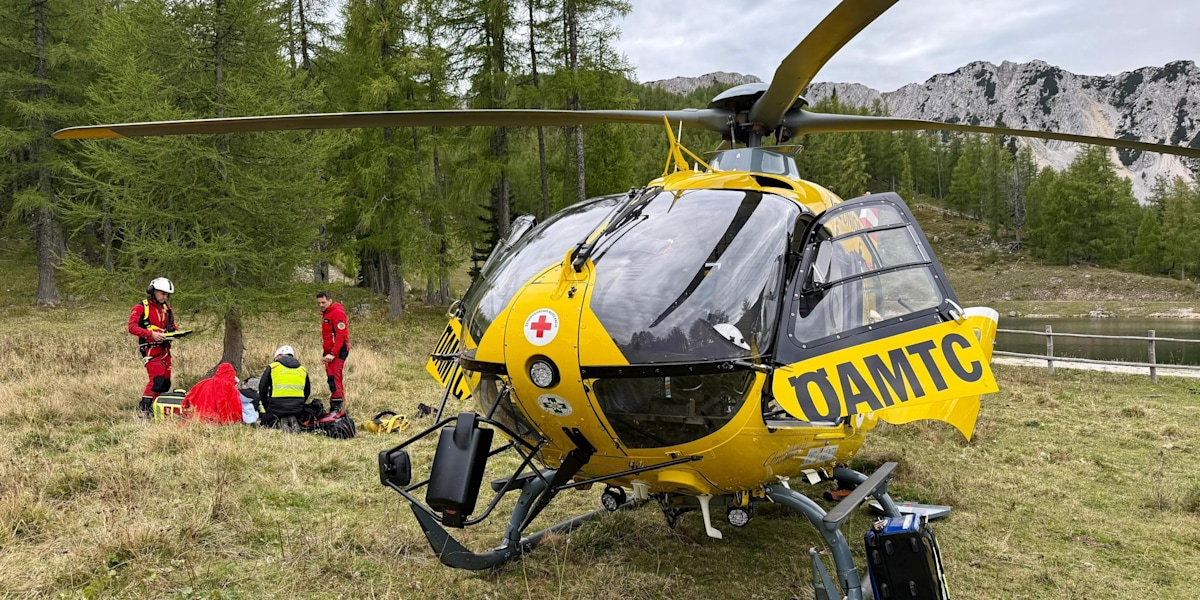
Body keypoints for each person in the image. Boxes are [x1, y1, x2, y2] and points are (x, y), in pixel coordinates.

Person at [128, 277, 179, 418]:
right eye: (162, 293)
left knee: (165, 382)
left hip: (165, 349)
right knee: (156, 379)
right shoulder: (140, 307)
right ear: (153, 291)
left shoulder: (167, 309)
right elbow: (132, 327)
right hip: (150, 349)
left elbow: (172, 326)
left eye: (167, 294)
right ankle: (144, 411)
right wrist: (150, 334)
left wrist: (177, 333)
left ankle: (156, 408)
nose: (165, 297)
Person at [256, 345, 312, 428]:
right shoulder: (302, 369)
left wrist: (266, 406)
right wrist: (300, 404)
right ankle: (293, 420)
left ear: (279, 356)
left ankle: (279, 423)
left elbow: (262, 388)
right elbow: (307, 391)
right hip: (297, 408)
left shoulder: (273, 367)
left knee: (265, 422)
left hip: (276, 407)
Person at [317, 291, 350, 413]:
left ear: (330, 301)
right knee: (334, 377)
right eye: (319, 303)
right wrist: (326, 353)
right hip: (330, 351)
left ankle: (337, 406)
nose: (321, 305)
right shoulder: (327, 314)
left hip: (338, 351)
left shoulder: (337, 313)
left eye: (323, 302)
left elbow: (341, 335)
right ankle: (338, 403)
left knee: (334, 378)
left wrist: (333, 354)